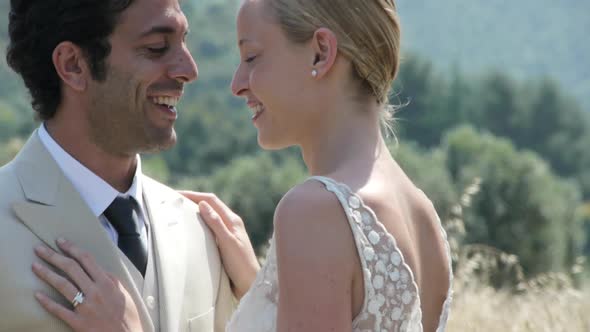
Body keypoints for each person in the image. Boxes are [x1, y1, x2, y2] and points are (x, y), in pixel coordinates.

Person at [32, 0, 454, 331]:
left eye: (251, 58)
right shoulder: (423, 217)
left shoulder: (315, 211)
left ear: (321, 53)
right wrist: (263, 290)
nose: (237, 84)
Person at [1, 0, 259, 331]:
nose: (189, 70)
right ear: (73, 65)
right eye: (157, 47)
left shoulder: (204, 233)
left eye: (184, 42)